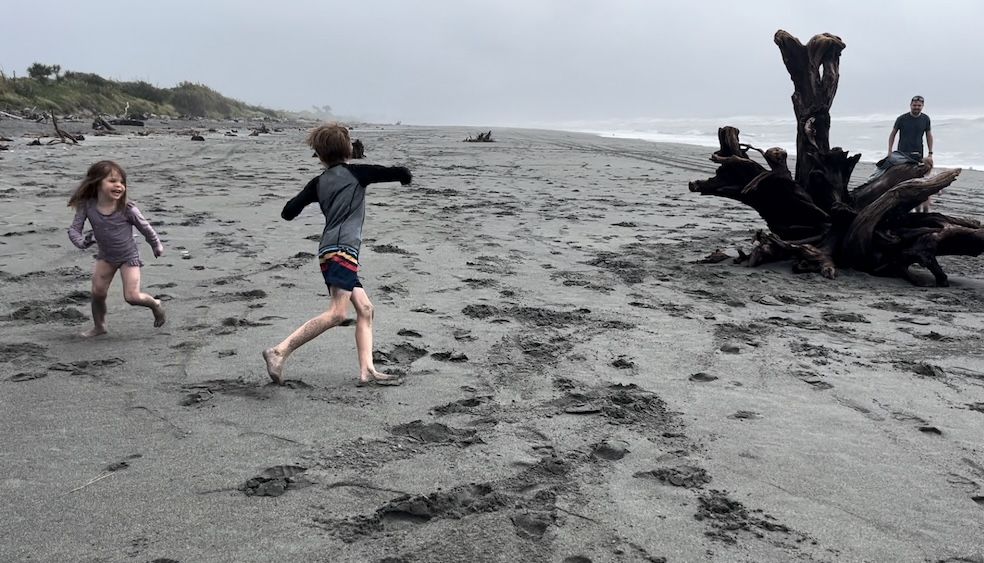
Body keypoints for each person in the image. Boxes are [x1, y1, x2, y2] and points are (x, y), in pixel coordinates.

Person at [262, 123, 412, 387]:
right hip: (343, 251)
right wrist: (405, 177)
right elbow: (396, 172)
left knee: (365, 309)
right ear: (349, 150)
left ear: (320, 156)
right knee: (337, 313)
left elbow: (288, 211)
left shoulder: (318, 183)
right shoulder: (357, 173)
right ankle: (279, 352)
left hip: (330, 251)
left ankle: (367, 370)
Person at [67, 160, 166, 337]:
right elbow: (74, 229)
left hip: (129, 257)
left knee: (132, 297)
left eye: (122, 182)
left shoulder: (128, 209)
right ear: (97, 183)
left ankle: (155, 304)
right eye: (112, 181)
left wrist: (156, 245)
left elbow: (146, 228)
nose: (119, 185)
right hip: (105, 256)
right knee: (97, 292)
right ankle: (99, 326)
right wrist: (81, 242)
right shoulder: (87, 206)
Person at [888, 95, 935, 211]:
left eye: (919, 106)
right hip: (902, 153)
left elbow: (929, 135)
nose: (916, 108)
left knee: (919, 181)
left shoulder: (925, 119)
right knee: (900, 178)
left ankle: (920, 207)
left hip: (918, 153)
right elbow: (893, 134)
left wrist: (930, 153)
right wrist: (889, 151)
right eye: (914, 105)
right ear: (910, 105)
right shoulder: (901, 118)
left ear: (923, 106)